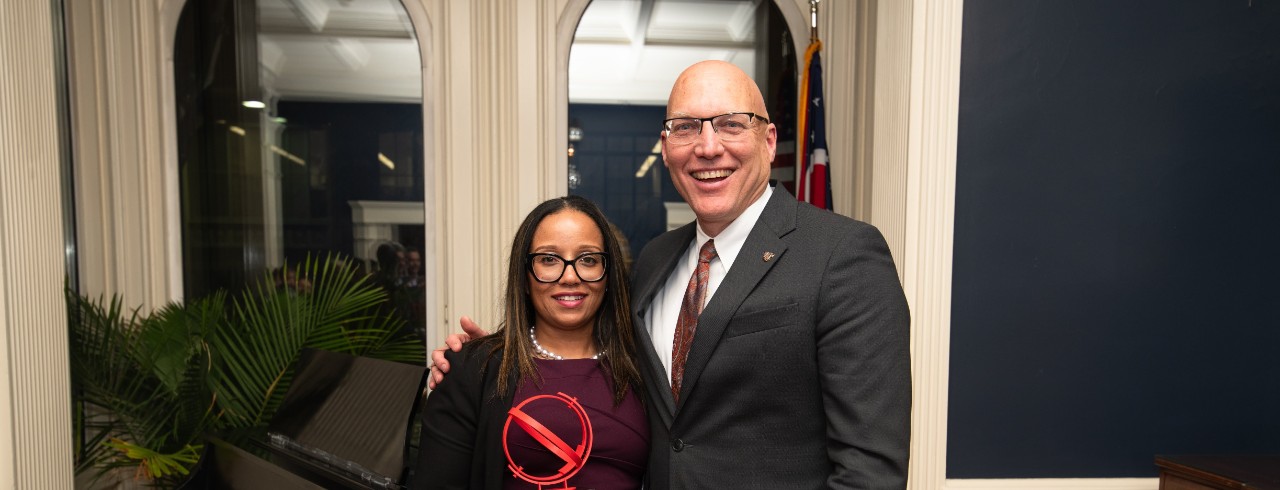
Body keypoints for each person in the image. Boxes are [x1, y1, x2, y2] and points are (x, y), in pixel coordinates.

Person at [432, 60, 911, 488]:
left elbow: (869, 467)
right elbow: (590, 345)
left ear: (768, 141)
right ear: (666, 147)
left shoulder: (843, 253)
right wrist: (481, 361)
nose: (707, 147)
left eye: (729, 125)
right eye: (686, 127)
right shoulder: (657, 260)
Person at [411, 196, 647, 490]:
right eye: (548, 259)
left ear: (608, 275)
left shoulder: (644, 367)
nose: (570, 276)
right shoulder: (473, 370)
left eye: (588, 259)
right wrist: (475, 363)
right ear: (523, 277)